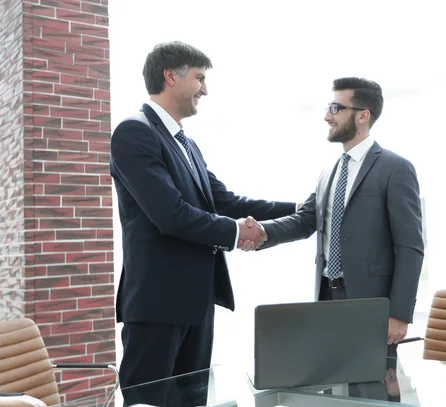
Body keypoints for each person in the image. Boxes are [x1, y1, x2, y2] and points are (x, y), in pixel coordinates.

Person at [110, 41, 297, 405]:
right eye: (199, 79)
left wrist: (304, 208)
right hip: (157, 304)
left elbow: (224, 201)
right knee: (147, 401)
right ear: (170, 76)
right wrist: (235, 232)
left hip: (196, 302)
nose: (205, 90)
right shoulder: (134, 133)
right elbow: (170, 214)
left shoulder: (186, 144)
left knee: (191, 400)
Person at [256, 77, 425, 402]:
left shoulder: (395, 168)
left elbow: (410, 246)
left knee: (375, 392)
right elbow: (307, 219)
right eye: (328, 107)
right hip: (327, 301)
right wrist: (262, 232)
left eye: (336, 108)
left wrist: (400, 313)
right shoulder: (329, 171)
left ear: (362, 115)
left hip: (371, 306)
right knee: (334, 391)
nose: (327, 116)